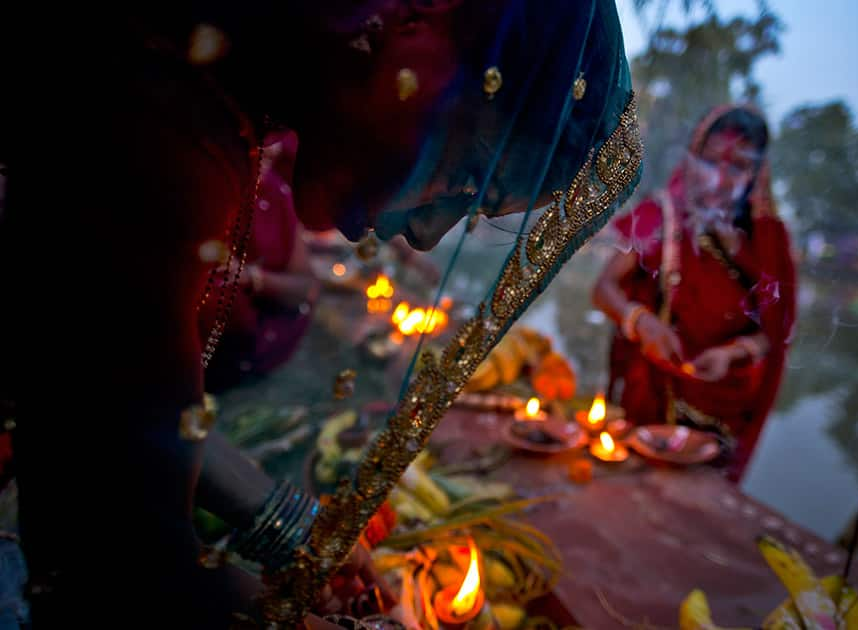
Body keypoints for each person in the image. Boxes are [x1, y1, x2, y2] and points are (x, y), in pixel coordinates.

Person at [0, 1, 640, 627]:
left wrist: (284, 523)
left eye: (468, 212)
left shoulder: (223, 88)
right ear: (419, 16)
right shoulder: (158, 110)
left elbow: (114, 401)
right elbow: (109, 555)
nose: (425, 235)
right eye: (466, 176)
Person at [593, 105, 796, 482]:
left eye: (737, 166)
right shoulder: (662, 215)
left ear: (756, 174)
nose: (720, 178)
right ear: (692, 158)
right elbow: (603, 290)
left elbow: (776, 332)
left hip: (724, 415)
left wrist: (732, 353)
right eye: (711, 160)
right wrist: (644, 323)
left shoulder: (769, 240)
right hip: (652, 400)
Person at [199, 129, 321, 393]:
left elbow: (306, 287)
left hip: (267, 358)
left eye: (277, 139)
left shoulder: (274, 192)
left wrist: (253, 278)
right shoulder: (203, 199)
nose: (274, 149)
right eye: (260, 138)